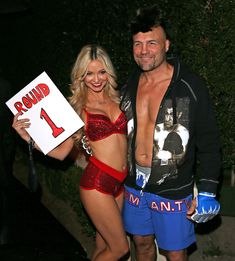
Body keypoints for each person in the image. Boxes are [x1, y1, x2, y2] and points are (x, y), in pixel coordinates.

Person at [120, 5, 221, 261]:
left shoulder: (190, 86)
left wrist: (208, 189)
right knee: (141, 243)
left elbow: (209, 141)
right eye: (138, 43)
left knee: (175, 253)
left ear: (166, 45)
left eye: (151, 43)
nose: (144, 51)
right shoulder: (130, 84)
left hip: (173, 188)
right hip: (134, 185)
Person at [12, 44, 129, 261]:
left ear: (109, 72)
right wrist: (29, 139)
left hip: (119, 183)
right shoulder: (78, 108)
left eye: (102, 72)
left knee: (103, 245)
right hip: (97, 185)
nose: (96, 79)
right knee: (120, 248)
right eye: (89, 73)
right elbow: (61, 153)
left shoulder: (118, 98)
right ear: (81, 76)